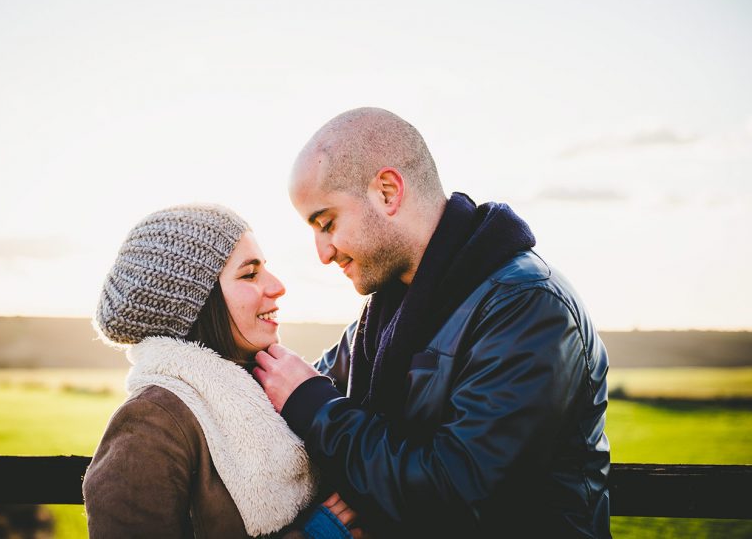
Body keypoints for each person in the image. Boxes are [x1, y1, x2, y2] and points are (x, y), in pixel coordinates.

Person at [253, 107, 611, 538]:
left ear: (387, 192)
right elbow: (293, 393)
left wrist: (318, 409)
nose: (323, 253)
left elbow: (460, 496)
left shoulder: (528, 307)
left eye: (327, 223)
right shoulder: (386, 315)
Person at [83, 204, 362, 539]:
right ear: (193, 304)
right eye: (249, 274)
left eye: (265, 269)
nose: (277, 286)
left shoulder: (270, 390)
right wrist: (315, 535)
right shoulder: (149, 426)